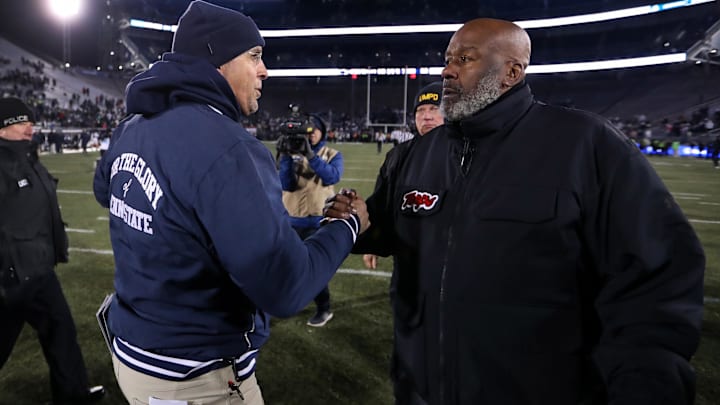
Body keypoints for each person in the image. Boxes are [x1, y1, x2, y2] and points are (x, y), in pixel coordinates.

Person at [337, 18, 705, 404]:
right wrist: (356, 221)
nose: (447, 70)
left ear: (511, 72)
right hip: (423, 390)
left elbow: (657, 273)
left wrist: (645, 384)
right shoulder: (417, 153)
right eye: (448, 59)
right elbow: (389, 230)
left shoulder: (584, 144)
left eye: (465, 59)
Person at [92, 2, 369, 404]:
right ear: (216, 60)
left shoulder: (132, 126)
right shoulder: (227, 146)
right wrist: (346, 228)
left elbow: (106, 191)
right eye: (254, 56)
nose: (265, 70)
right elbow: (285, 288)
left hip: (134, 353)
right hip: (195, 375)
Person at [0, 97, 105, 405]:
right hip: (10, 277)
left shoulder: (29, 159)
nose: (29, 126)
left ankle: (72, 396)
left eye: (30, 121)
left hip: (39, 271)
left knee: (61, 331)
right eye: (20, 121)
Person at [363, 81, 443, 270]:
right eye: (420, 110)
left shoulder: (466, 152)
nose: (427, 116)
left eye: (434, 108)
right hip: (407, 259)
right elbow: (381, 201)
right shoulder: (398, 155)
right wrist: (372, 241)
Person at [277, 115, 343, 327]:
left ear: (322, 131)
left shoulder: (332, 154)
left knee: (313, 270)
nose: (311, 133)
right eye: (308, 130)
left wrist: (311, 156)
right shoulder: (292, 154)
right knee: (285, 267)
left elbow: (332, 177)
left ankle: (324, 308)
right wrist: (286, 157)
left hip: (317, 222)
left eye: (315, 129)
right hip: (291, 221)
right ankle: (287, 302)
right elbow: (286, 184)